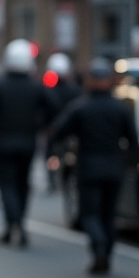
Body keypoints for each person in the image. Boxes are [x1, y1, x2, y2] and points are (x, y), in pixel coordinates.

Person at [53, 58, 137, 276]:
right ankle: (106, 254)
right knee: (109, 215)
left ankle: (98, 246)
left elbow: (59, 132)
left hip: (89, 167)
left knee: (91, 214)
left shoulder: (81, 108)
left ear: (89, 80)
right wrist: (127, 164)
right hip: (114, 168)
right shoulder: (120, 108)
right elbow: (133, 141)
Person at [0, 39, 60, 248]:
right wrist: (39, 123)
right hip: (27, 143)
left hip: (3, 143)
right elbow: (54, 108)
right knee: (23, 184)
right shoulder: (35, 87)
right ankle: (18, 223)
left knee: (7, 185)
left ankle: (13, 223)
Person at [44, 52, 83, 193]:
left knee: (52, 155)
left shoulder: (48, 91)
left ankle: (52, 178)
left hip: (54, 129)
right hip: (70, 130)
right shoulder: (75, 90)